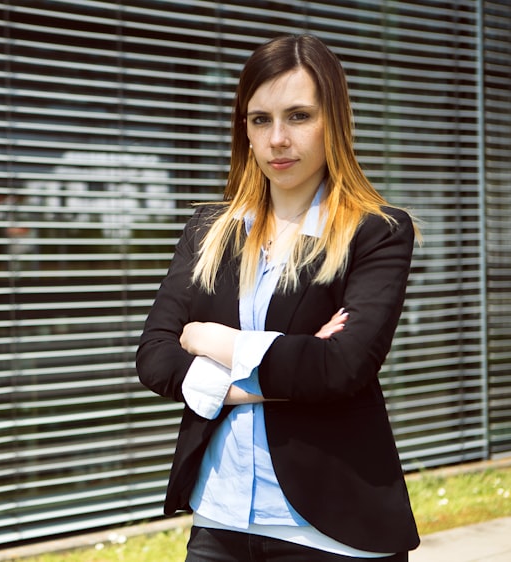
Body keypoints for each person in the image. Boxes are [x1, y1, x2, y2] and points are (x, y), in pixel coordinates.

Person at [136, 34, 421, 561]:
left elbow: (342, 367)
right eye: (260, 119)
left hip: (330, 532)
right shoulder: (208, 231)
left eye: (298, 116)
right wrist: (277, 368)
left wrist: (213, 340)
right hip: (219, 518)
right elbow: (154, 356)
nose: (277, 139)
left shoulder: (376, 232)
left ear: (334, 120)